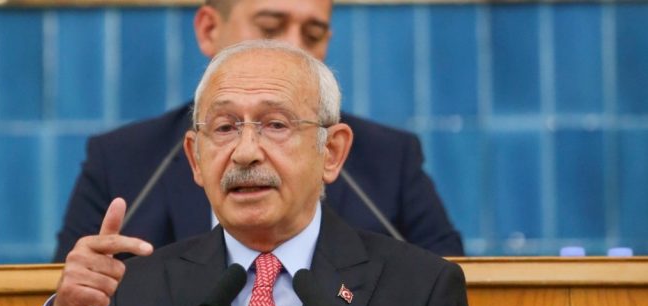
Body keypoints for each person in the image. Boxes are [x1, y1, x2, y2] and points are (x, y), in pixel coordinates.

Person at [5, 41, 494, 306]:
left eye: (275, 124)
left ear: (331, 152)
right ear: (195, 159)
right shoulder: (136, 296)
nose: (244, 152)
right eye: (224, 128)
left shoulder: (418, 291)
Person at [52, 0, 464, 262]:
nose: (294, 48)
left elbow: (451, 290)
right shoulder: (122, 161)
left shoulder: (386, 158)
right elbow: (67, 300)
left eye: (313, 34)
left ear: (335, 153)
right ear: (209, 29)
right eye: (271, 26)